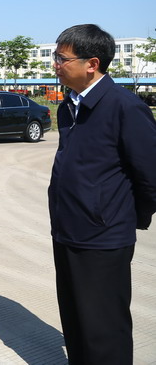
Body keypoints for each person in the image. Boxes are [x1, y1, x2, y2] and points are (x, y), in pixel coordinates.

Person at [48, 24, 156, 364]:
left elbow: (150, 176)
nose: (55, 65)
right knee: (76, 322)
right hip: (67, 230)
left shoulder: (124, 107)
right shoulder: (69, 106)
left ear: (92, 64)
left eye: (62, 58)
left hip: (103, 238)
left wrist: (119, 217)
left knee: (104, 328)